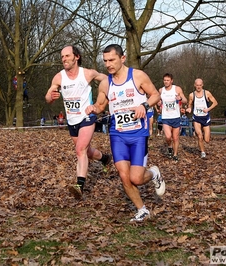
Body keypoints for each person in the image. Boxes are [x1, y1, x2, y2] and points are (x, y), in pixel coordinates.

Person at [85, 44, 165, 222]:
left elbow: (155, 95)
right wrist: (93, 108)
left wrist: (144, 106)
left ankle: (153, 173)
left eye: (112, 60)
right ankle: (142, 210)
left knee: (136, 178)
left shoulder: (137, 76)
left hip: (138, 134)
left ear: (122, 58)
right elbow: (100, 106)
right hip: (117, 134)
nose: (108, 64)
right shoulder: (105, 83)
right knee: (123, 175)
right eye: (105, 61)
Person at [45, 45, 112, 200]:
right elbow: (48, 96)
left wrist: (100, 102)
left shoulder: (87, 74)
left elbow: (108, 80)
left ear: (76, 57)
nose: (64, 59)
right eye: (62, 57)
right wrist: (51, 97)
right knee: (87, 151)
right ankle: (105, 159)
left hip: (87, 117)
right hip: (72, 120)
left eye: (67, 56)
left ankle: (79, 186)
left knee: (80, 150)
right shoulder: (59, 77)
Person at [186, 78, 218, 158]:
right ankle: (203, 152)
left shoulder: (207, 93)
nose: (199, 87)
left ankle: (203, 135)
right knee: (200, 136)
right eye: (197, 85)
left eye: (200, 85)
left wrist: (208, 109)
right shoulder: (191, 95)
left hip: (205, 117)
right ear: (194, 85)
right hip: (196, 118)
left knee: (207, 140)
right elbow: (189, 104)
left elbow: (215, 103)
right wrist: (189, 108)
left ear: (202, 85)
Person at [159, 73, 188, 162]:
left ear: (171, 81)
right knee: (168, 137)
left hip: (175, 117)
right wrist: (158, 103)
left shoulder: (177, 89)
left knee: (175, 138)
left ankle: (175, 154)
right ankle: (169, 146)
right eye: (165, 80)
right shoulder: (161, 90)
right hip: (166, 117)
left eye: (168, 80)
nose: (166, 82)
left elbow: (185, 100)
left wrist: (180, 99)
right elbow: (158, 100)